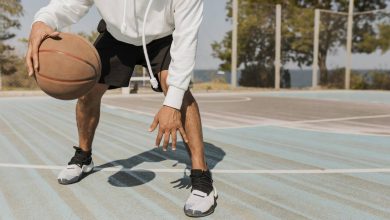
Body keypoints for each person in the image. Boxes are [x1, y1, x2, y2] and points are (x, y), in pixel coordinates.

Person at [25, 0, 217, 217]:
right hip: (117, 36)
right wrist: (42, 21)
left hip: (163, 38)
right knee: (89, 92)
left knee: (177, 90)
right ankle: (83, 157)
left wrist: (171, 103)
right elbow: (69, 4)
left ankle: (201, 176)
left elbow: (186, 40)